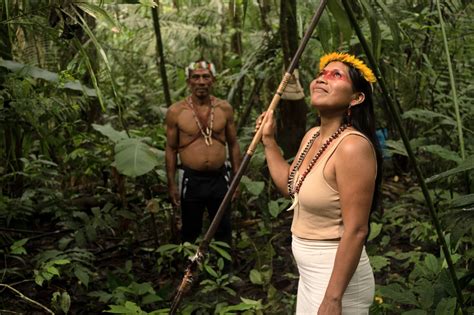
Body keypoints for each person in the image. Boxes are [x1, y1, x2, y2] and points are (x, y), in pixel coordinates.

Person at [256, 52, 382, 314]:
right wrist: (269, 141)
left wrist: (333, 298)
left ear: (356, 98)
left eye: (336, 75)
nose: (322, 79)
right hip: (310, 274)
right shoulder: (313, 135)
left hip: (336, 278)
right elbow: (292, 186)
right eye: (322, 74)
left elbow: (357, 229)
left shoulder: (352, 147)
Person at [165, 60, 241, 245]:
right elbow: (171, 149)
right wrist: (172, 184)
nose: (201, 81)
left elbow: (233, 144)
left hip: (219, 178)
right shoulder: (176, 111)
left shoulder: (224, 108)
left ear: (213, 80)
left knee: (223, 227)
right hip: (191, 180)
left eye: (205, 77)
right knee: (190, 229)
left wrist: (236, 179)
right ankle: (190, 271)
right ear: (189, 81)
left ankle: (225, 271)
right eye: (196, 77)